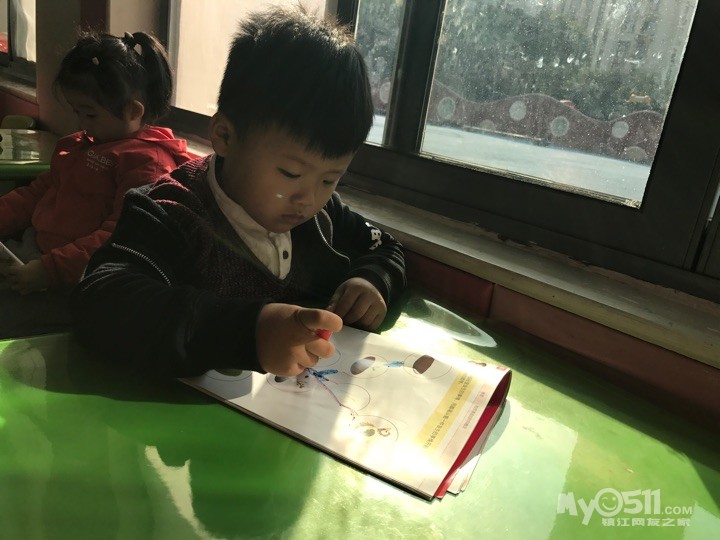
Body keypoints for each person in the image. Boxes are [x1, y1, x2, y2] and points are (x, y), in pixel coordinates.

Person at [72, 6, 406, 378]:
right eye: (290, 173)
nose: (309, 199)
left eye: (330, 179)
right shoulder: (168, 211)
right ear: (225, 137)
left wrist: (371, 280)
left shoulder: (323, 217)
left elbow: (384, 246)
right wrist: (251, 332)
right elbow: (99, 303)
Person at [0, 31, 191, 338]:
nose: (81, 124)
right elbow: (38, 193)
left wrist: (50, 270)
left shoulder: (147, 164)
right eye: (77, 112)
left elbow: (120, 237)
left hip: (75, 283)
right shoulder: (86, 144)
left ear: (133, 111)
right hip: (34, 251)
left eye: (89, 113)